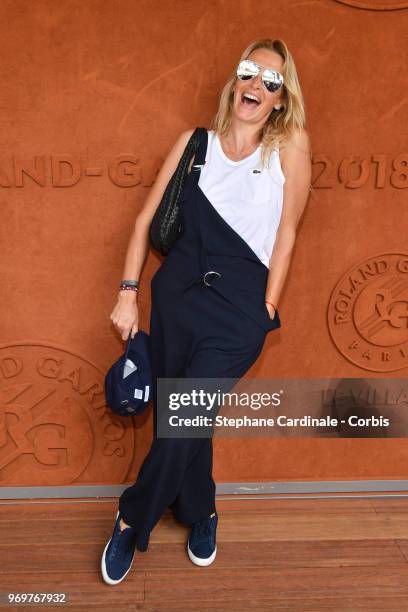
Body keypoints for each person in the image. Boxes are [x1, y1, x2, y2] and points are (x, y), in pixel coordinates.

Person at [101, 37, 312, 585]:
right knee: (188, 420)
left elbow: (287, 233)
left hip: (240, 309)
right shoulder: (194, 142)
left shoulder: (289, 148)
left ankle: (131, 517)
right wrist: (128, 292)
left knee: (181, 418)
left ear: (281, 99)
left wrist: (268, 306)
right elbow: (146, 219)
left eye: (272, 81)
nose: (257, 85)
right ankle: (202, 510)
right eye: (250, 72)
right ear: (235, 81)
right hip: (176, 301)